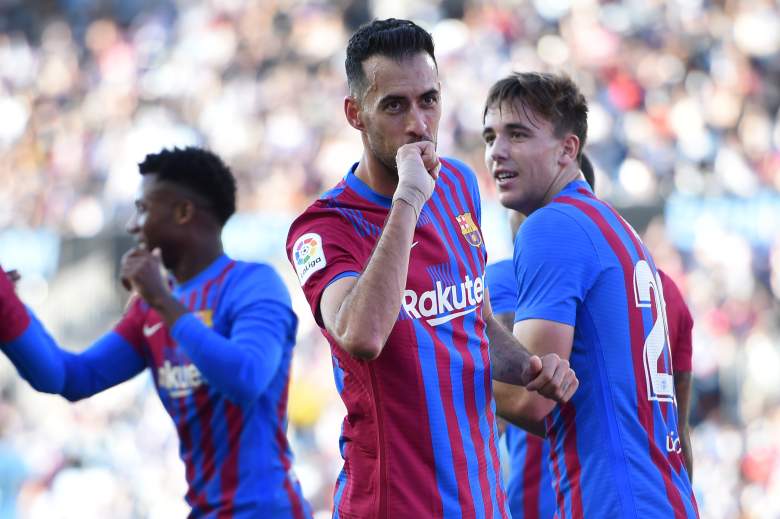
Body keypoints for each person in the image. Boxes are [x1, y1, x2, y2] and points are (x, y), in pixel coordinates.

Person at [285, 19, 577, 519]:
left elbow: (474, 324)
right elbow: (362, 334)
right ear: (355, 114)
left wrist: (531, 368)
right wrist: (409, 200)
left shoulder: (460, 185)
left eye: (429, 100)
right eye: (394, 105)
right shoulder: (323, 228)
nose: (418, 124)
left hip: (482, 503)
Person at [0, 147, 311, 518]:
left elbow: (246, 378)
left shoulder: (253, 284)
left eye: (144, 209)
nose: (133, 225)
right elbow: (69, 378)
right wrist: (7, 310)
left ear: (183, 212)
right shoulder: (150, 308)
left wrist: (164, 301)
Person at [482, 72, 698, 517]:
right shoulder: (621, 233)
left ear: (568, 148)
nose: (496, 151)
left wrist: (440, 362)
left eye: (517, 134)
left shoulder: (551, 226)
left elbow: (532, 401)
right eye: (490, 136)